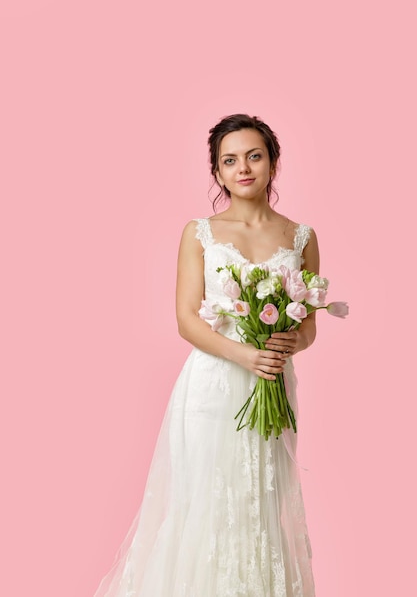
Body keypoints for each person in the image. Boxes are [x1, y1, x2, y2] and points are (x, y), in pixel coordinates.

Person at [94, 114, 319, 597]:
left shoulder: (301, 237)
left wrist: (287, 342)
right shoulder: (199, 233)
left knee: (262, 500)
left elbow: (309, 327)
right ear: (217, 173)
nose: (243, 168)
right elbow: (187, 320)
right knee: (208, 503)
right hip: (213, 385)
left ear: (273, 163)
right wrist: (244, 355)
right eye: (230, 160)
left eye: (254, 156)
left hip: (272, 382)